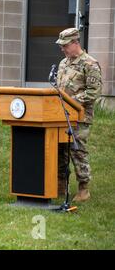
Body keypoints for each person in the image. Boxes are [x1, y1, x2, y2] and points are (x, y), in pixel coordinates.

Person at [55, 28, 102, 202]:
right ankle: (60, 184)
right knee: (60, 150)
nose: (63, 49)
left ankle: (84, 188)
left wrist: (72, 100)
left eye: (65, 46)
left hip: (80, 116)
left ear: (75, 43)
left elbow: (93, 92)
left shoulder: (90, 64)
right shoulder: (63, 63)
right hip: (60, 115)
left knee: (77, 150)